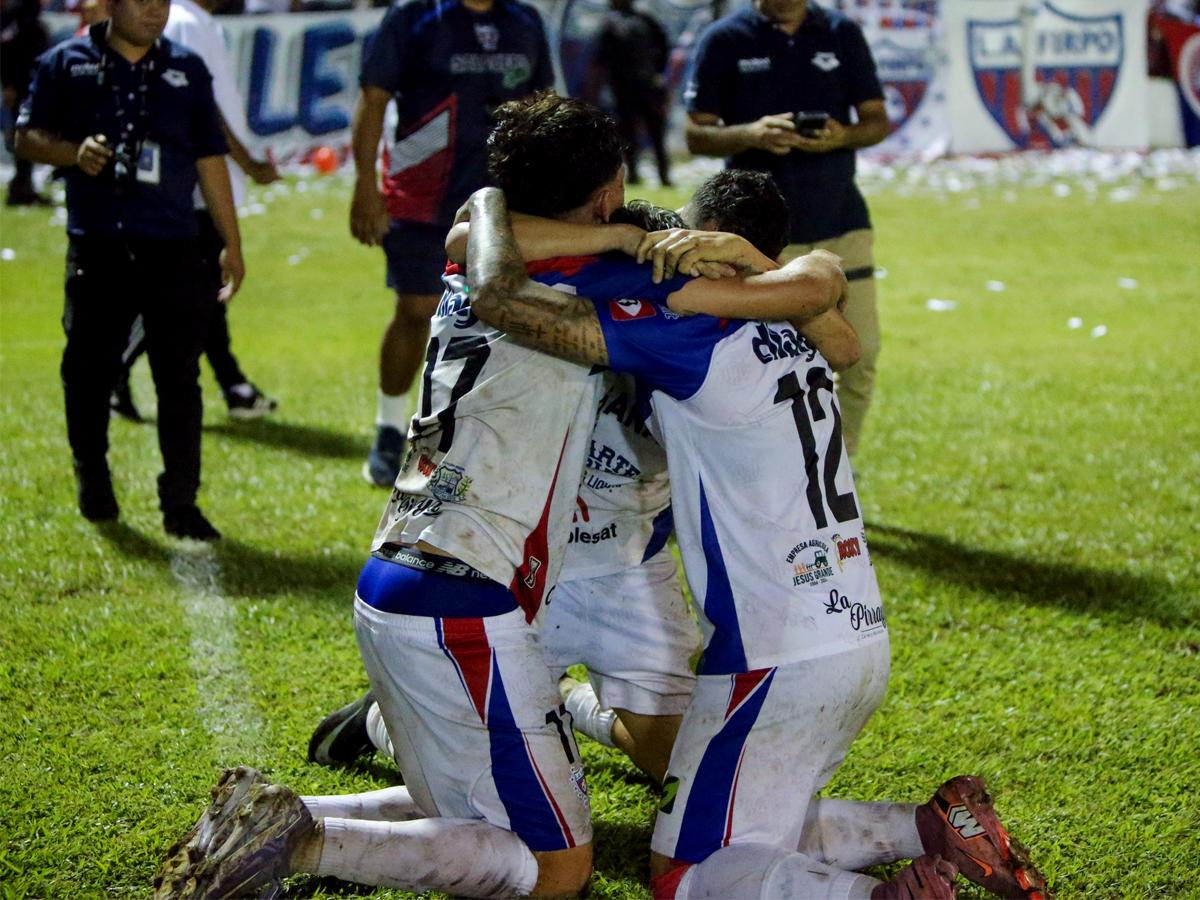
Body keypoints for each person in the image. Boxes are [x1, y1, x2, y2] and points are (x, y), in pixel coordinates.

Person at [153, 92, 847, 899]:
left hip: (415, 573)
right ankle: (303, 841)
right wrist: (684, 250)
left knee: (504, 806)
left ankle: (293, 810)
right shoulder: (597, 274)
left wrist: (494, 203)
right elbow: (826, 310)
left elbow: (468, 230)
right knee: (557, 870)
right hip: (466, 596)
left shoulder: (486, 248)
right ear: (606, 193)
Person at [449, 185, 1052, 900]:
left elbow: (488, 278)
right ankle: (931, 828)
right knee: (751, 829)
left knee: (686, 874)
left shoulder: (683, 323)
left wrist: (523, 215)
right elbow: (838, 312)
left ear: (705, 242)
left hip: (773, 651)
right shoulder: (803, 314)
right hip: (853, 633)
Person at [16, 0, 244, 540]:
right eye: (141, 0)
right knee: (89, 371)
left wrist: (232, 243)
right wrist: (75, 153)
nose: (154, 11)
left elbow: (210, 159)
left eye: (163, 1)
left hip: (175, 247)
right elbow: (26, 137)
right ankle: (92, 475)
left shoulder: (187, 69)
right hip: (99, 247)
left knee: (179, 379)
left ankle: (181, 502)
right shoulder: (63, 62)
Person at [349, 0, 555, 488]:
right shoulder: (411, 17)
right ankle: (388, 426)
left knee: (509, 317)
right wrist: (363, 185)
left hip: (510, 197)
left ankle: (482, 435)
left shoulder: (525, 20)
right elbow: (373, 98)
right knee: (416, 309)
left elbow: (545, 104)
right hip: (425, 194)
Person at [683, 0, 888, 456]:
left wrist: (843, 135)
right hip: (758, 236)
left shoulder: (841, 33)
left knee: (862, 353)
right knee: (764, 363)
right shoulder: (725, 38)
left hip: (840, 220)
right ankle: (768, 462)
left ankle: (838, 466)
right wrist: (752, 134)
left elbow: (876, 120)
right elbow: (696, 135)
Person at [109, 0, 281, 423]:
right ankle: (111, 370)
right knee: (185, 297)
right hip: (195, 189)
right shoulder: (183, 23)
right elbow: (203, 114)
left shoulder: (195, 22)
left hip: (200, 187)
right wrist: (248, 165)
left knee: (204, 297)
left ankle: (234, 386)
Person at [594, 0, 673, 187]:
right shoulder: (613, 24)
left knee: (654, 132)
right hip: (625, 88)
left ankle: (663, 175)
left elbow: (664, 47)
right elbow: (602, 58)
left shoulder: (641, 21)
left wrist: (658, 74)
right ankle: (635, 174)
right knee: (629, 134)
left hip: (644, 86)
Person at [1, 0, 49, 205]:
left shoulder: (30, 10)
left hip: (32, 82)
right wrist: (8, 84)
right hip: (20, 83)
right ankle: (20, 189)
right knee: (21, 136)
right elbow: (6, 47)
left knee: (28, 135)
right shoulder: (18, 11)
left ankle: (25, 186)